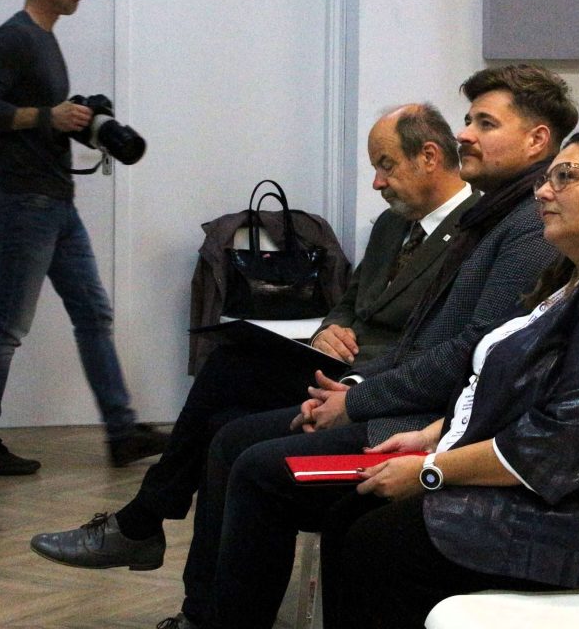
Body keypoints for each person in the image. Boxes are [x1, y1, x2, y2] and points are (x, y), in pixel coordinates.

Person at [36, 63, 575, 629]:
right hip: (391, 389)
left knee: (248, 453)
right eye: (468, 120)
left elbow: (472, 353)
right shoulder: (488, 219)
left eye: (484, 123)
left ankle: (174, 563)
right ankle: (197, 599)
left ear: (536, 140)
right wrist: (335, 348)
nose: (465, 134)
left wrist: (358, 397)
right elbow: (378, 313)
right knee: (229, 418)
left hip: (422, 417)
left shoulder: (517, 227)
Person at [30, 102, 475, 568]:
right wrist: (329, 328)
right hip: (338, 363)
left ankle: (145, 527)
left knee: (227, 393)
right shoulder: (392, 223)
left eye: (386, 166)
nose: (377, 183)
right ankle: (177, 566)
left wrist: (356, 380)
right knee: (225, 393)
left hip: (379, 383)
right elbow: (350, 300)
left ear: (429, 156)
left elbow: (444, 343)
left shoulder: (473, 232)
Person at [321, 132, 579, 629]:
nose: (543, 191)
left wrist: (431, 470)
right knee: (350, 515)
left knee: (376, 543)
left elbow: (557, 445)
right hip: (556, 493)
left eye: (566, 177)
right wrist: (433, 435)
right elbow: (527, 388)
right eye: (546, 178)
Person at [0, 0, 167, 475]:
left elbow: (34, 115)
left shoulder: (45, 41)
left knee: (94, 314)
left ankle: (121, 432)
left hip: (56, 204)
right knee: (8, 326)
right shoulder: (13, 38)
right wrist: (48, 116)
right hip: (25, 204)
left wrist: (74, 119)